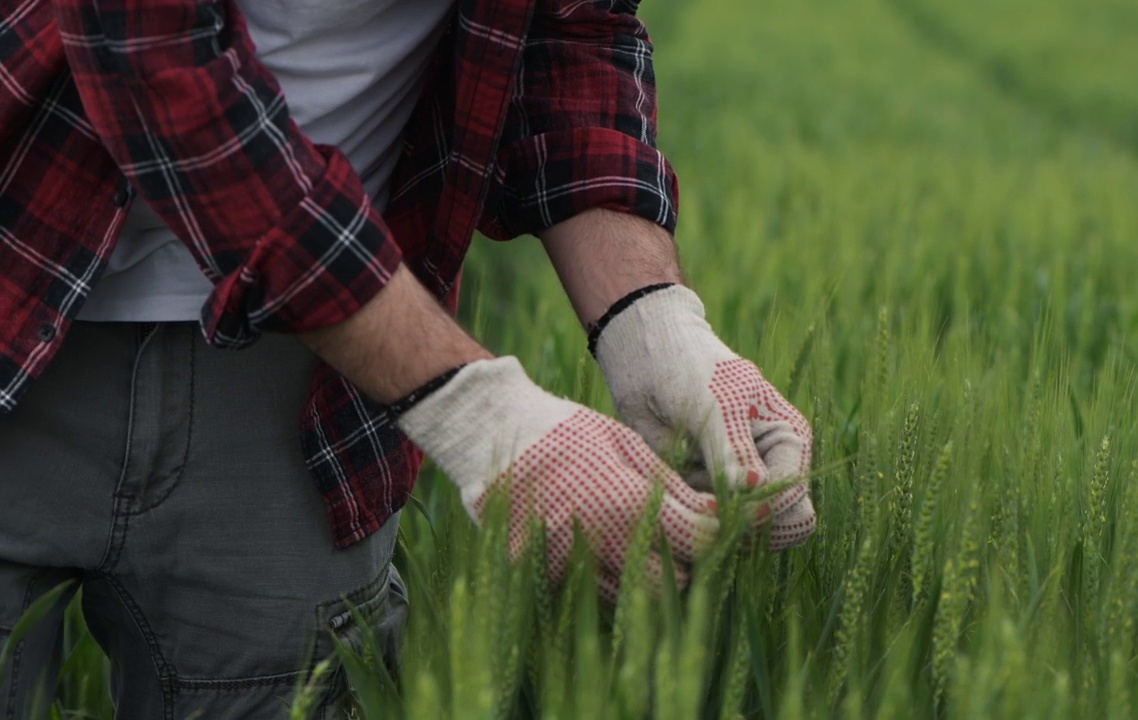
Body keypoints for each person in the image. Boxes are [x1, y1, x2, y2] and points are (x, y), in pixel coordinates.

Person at [0, 0, 816, 716]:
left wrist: (654, 322)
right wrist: (474, 408)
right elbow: (148, 53)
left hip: (313, 384)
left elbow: (569, 31)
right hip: (20, 279)